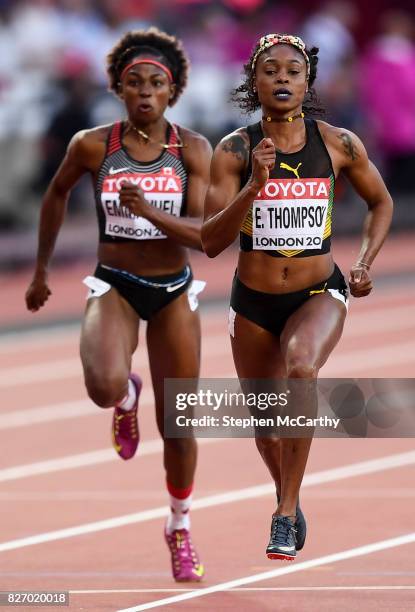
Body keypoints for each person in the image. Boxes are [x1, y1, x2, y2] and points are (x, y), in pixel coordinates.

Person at [25, 27, 212, 582]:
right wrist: (40, 271)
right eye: (135, 83)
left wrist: (151, 212)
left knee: (179, 425)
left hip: (173, 290)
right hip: (115, 283)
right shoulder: (92, 145)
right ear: (119, 89)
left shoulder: (193, 150)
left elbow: (204, 233)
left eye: (157, 83)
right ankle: (125, 395)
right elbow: (55, 193)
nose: (146, 93)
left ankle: (178, 525)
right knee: (102, 386)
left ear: (172, 90)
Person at [202, 33, 393, 561]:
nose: (282, 78)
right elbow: (210, 242)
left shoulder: (338, 144)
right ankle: (290, 493)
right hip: (254, 302)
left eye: (293, 71)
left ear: (307, 83)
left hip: (319, 291)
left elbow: (380, 202)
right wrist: (254, 185)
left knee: (301, 367)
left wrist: (363, 262)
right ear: (253, 82)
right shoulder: (234, 151)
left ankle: (283, 514)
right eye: (271, 70)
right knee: (266, 423)